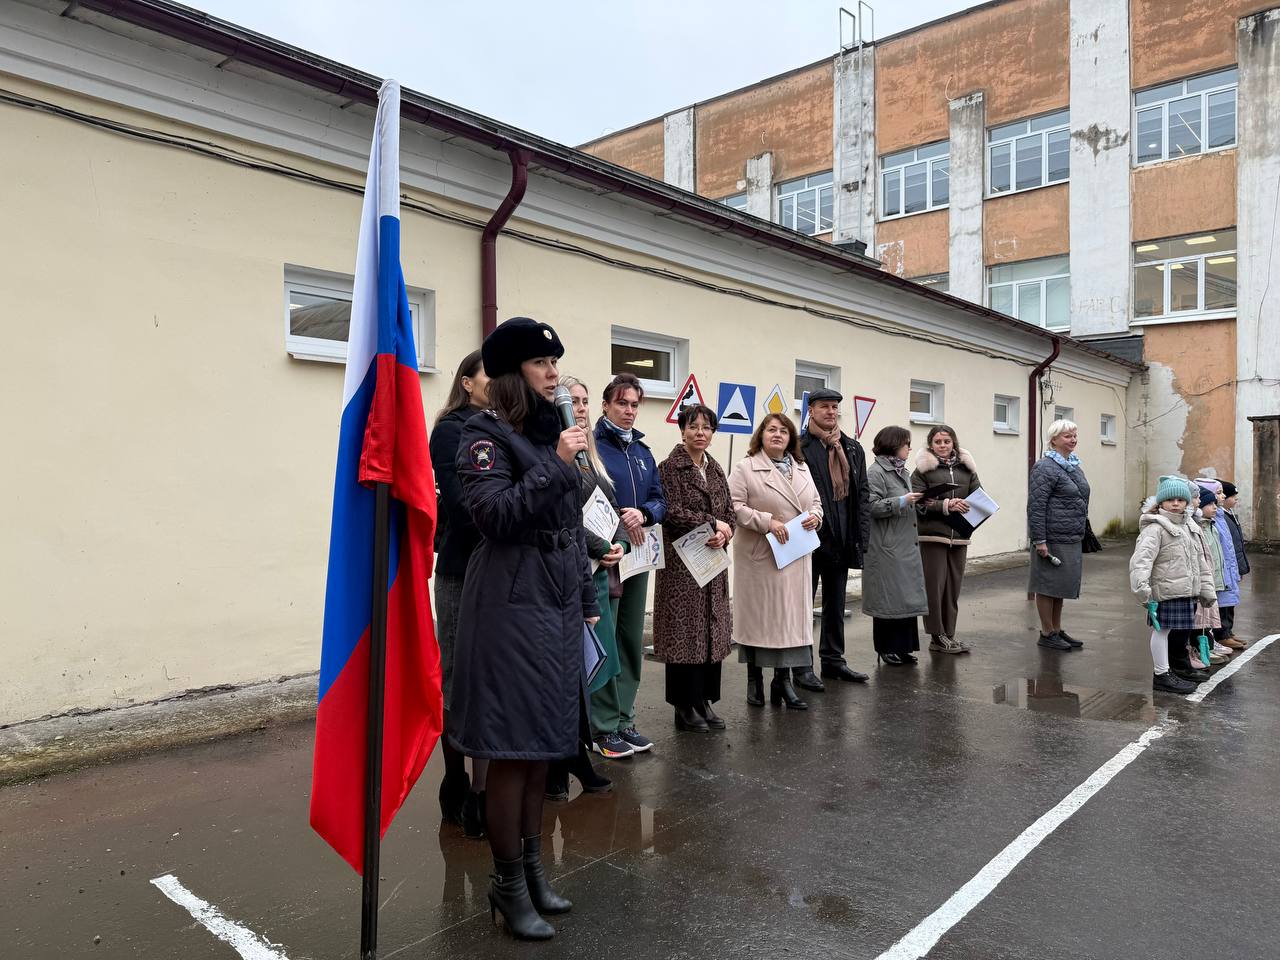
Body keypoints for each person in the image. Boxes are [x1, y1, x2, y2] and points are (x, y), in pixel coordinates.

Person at [451, 316, 599, 941]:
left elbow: (569, 525)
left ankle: (534, 872)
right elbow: (493, 517)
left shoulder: (546, 434)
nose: (554, 373)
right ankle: (507, 884)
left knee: (544, 748)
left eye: (556, 362)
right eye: (542, 363)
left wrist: (586, 594)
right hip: (510, 604)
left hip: (556, 599)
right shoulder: (482, 436)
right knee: (513, 751)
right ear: (513, 372)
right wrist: (556, 464)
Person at [543, 376, 620, 799]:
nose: (581, 408)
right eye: (573, 400)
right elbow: (566, 514)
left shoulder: (590, 451)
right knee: (564, 675)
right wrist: (600, 545)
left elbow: (606, 505)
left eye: (585, 401)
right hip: (571, 567)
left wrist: (618, 541)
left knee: (586, 666)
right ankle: (562, 759)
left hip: (593, 571)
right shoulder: (557, 449)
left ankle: (574, 751)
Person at [428, 349, 490, 837]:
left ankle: (482, 792)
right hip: (460, 570)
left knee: (488, 680)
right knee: (456, 678)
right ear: (466, 382)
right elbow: (463, 501)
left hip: (500, 571)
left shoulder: (505, 427)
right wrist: (510, 517)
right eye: (489, 374)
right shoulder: (451, 430)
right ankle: (454, 777)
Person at [591, 373, 667, 758]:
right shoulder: (593, 447)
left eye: (635, 404)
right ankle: (602, 727)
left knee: (631, 639)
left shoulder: (642, 451)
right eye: (622, 403)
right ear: (606, 405)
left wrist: (645, 513)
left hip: (639, 554)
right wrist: (619, 522)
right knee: (606, 640)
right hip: (607, 553)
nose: (629, 411)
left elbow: (659, 499)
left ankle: (624, 718)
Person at [728, 413, 823, 709]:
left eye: (783, 430)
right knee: (759, 621)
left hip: (795, 555)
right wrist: (767, 522)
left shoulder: (802, 467)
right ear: (761, 435)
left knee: (789, 622)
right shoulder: (746, 467)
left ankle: (782, 681)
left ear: (791, 437)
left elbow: (816, 502)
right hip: (761, 557)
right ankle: (754, 679)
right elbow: (732, 507)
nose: (778, 434)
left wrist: (816, 518)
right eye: (771, 429)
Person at [654, 404, 735, 731]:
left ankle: (704, 700)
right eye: (693, 426)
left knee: (710, 632)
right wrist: (711, 522)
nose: (700, 433)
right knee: (684, 634)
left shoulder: (715, 468)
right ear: (682, 430)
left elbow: (730, 513)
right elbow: (671, 512)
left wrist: (725, 532)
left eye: (706, 427)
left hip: (712, 563)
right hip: (682, 566)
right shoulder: (669, 468)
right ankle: (683, 705)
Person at [797, 388, 870, 688]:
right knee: (803, 607)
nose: (830, 412)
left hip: (841, 539)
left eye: (834, 407)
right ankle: (802, 666)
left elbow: (862, 495)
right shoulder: (799, 447)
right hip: (811, 539)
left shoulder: (852, 448)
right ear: (811, 411)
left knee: (836, 605)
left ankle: (833, 661)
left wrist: (861, 538)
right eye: (824, 406)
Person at [1129, 477, 1215, 694]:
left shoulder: (1188, 526)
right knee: (1162, 631)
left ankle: (1176, 669)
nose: (1175, 504)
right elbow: (1141, 562)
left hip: (1186, 591)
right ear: (1161, 502)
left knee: (1180, 632)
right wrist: (1143, 590)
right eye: (1170, 500)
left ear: (1186, 502)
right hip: (1165, 592)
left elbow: (1200, 562)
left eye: (1180, 499)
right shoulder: (1155, 529)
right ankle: (1161, 675)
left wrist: (1206, 589)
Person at [911, 424, 981, 654]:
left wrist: (968, 506)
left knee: (952, 589)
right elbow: (918, 502)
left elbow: (978, 498)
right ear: (931, 444)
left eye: (947, 441)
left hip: (959, 537)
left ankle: (949, 634)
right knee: (934, 588)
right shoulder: (922, 471)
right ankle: (936, 635)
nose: (942, 445)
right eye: (938, 442)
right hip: (932, 537)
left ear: (954, 443)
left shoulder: (967, 469)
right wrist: (946, 505)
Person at [863, 426, 929, 665]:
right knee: (887, 599)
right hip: (887, 547)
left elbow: (905, 504)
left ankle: (904, 648)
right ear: (893, 445)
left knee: (905, 599)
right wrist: (902, 501)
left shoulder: (902, 471)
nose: (909, 449)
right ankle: (885, 648)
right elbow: (871, 506)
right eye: (906, 444)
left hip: (904, 546)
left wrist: (920, 501)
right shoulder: (876, 472)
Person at [1026, 420, 1090, 651]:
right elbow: (1036, 506)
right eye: (1067, 436)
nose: (1073, 439)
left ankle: (1056, 628)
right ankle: (1047, 632)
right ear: (1053, 440)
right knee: (1047, 585)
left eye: (1074, 435)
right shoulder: (1045, 467)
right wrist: (1039, 540)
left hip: (1070, 536)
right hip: (1051, 537)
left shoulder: (1073, 465)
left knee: (1060, 586)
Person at [1220, 480, 1250, 646]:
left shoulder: (1230, 514)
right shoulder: (1221, 517)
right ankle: (1223, 634)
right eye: (1233, 496)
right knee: (1225, 601)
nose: (1236, 499)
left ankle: (1229, 631)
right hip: (1227, 567)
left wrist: (1240, 568)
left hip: (1234, 565)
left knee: (1231, 600)